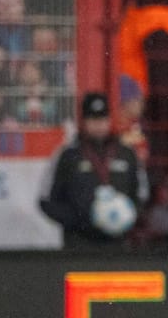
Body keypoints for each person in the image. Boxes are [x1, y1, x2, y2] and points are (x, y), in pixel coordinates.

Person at [39, 92, 148, 249]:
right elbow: (46, 199)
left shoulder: (126, 153)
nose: (98, 125)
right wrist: (80, 221)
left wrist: (126, 217)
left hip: (118, 243)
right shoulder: (68, 154)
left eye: (103, 119)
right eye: (93, 119)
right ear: (83, 121)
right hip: (79, 243)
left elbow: (141, 194)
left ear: (110, 120)